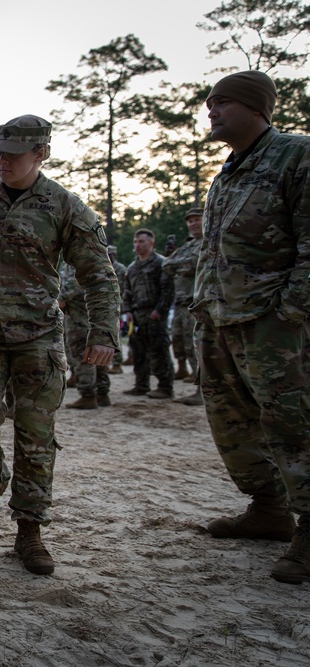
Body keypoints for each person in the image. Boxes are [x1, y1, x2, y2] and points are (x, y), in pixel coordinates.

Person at [0, 114, 119, 576]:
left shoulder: (64, 207)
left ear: (42, 154)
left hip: (38, 335)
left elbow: (99, 275)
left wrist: (102, 332)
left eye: (14, 155)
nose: (3, 162)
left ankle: (29, 532)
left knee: (36, 437)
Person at [192, 70, 310, 584]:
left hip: (273, 328)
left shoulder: (297, 156)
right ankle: (269, 510)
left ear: (255, 107)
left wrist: (290, 312)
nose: (211, 111)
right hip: (220, 321)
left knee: (295, 428)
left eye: (221, 102)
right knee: (232, 425)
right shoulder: (228, 172)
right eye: (210, 103)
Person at [122, 229, 174, 398]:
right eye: (135, 242)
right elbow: (127, 292)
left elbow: (167, 290)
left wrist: (160, 310)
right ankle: (141, 385)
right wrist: (127, 311)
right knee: (138, 352)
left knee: (159, 350)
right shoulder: (132, 267)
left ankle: (165, 387)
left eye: (141, 242)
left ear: (151, 243)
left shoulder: (161, 263)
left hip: (154, 314)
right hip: (137, 315)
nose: (137, 245)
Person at [163, 208, 204, 406]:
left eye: (197, 220)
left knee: (196, 346)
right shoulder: (188, 246)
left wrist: (179, 265)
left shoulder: (209, 243)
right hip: (180, 304)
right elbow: (167, 264)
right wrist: (182, 265)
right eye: (190, 221)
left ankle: (202, 390)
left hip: (197, 304)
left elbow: (196, 264)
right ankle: (185, 371)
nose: (193, 224)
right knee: (179, 341)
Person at [61, 268, 111, 409]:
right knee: (98, 358)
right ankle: (102, 394)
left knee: (84, 359)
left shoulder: (76, 269)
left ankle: (87, 396)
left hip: (80, 323)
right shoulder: (96, 264)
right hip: (96, 322)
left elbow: (61, 299)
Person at [107, 245, 127, 374]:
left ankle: (117, 363)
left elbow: (124, 288)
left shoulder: (120, 269)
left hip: (116, 305)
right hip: (104, 305)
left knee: (115, 335)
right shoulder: (102, 267)